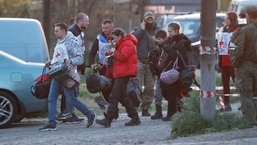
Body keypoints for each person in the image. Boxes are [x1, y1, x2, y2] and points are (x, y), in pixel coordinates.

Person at [39, 23, 96, 131]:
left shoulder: (72, 42)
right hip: (57, 73)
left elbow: (80, 59)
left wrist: (71, 61)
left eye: (57, 31)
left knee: (71, 99)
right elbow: (59, 58)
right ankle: (52, 123)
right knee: (51, 98)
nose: (54, 33)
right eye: (55, 31)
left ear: (63, 31)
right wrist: (51, 62)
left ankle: (90, 114)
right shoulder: (59, 42)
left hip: (67, 75)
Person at [95, 27, 141, 127]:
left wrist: (114, 51)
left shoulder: (128, 43)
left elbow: (123, 57)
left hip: (125, 72)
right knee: (123, 97)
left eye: (115, 37)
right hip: (121, 72)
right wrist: (111, 49)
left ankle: (108, 119)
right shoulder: (120, 43)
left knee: (114, 96)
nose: (114, 40)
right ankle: (135, 117)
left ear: (120, 36)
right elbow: (110, 54)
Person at [56, 13, 90, 122]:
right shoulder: (72, 32)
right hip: (71, 66)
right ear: (80, 21)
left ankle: (68, 113)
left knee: (72, 90)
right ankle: (67, 113)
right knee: (71, 89)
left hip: (76, 65)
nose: (88, 23)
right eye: (87, 20)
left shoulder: (79, 32)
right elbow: (68, 49)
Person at [230, 6, 257, 128]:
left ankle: (250, 122)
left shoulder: (245, 30)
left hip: (246, 66)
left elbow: (239, 50)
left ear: (248, 16)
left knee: (246, 95)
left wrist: (235, 63)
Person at [159, 22, 191, 121]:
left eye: (171, 31)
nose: (169, 34)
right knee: (165, 90)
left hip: (177, 70)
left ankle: (171, 114)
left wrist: (164, 45)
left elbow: (175, 54)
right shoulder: (171, 40)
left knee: (171, 92)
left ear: (176, 31)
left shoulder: (181, 41)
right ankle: (179, 107)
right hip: (170, 69)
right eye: (168, 32)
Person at [131, 11, 160, 116]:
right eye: (148, 19)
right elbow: (133, 39)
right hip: (139, 60)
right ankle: (134, 107)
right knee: (136, 85)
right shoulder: (137, 30)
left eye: (151, 18)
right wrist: (142, 30)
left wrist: (156, 40)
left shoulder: (158, 31)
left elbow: (164, 41)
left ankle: (145, 107)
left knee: (150, 86)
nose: (150, 20)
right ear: (144, 19)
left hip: (151, 63)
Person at [89, 19, 114, 106]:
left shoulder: (116, 37)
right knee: (104, 88)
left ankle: (113, 108)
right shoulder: (99, 38)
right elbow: (92, 53)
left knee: (114, 89)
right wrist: (92, 64)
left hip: (114, 68)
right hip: (102, 67)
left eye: (106, 28)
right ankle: (110, 106)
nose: (104, 30)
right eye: (103, 28)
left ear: (112, 28)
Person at [218, 12, 239, 112]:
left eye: (228, 18)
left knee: (238, 83)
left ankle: (245, 103)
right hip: (223, 61)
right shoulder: (223, 29)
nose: (226, 20)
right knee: (225, 84)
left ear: (232, 19)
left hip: (232, 61)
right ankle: (226, 104)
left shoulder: (237, 30)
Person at [151, 29, 167, 120]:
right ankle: (158, 111)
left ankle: (176, 109)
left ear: (165, 38)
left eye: (161, 38)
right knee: (158, 93)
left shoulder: (167, 47)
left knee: (169, 93)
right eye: (157, 38)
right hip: (160, 73)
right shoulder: (156, 47)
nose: (159, 40)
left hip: (167, 73)